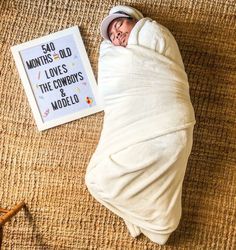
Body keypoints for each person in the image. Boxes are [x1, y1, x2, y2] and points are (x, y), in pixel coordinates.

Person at [85, 5, 196, 245]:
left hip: (167, 122)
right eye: (112, 35)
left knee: (100, 178)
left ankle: (160, 220)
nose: (116, 35)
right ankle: (160, 218)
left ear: (134, 19)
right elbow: (113, 95)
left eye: (119, 25)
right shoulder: (113, 59)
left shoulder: (152, 33)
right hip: (132, 122)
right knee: (96, 179)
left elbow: (159, 74)